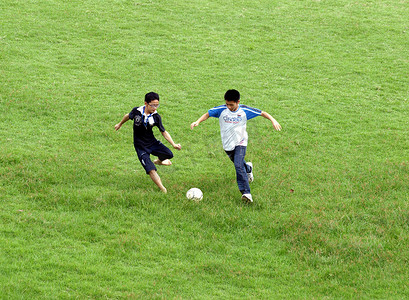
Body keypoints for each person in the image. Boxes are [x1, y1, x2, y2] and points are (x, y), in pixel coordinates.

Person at [190, 89, 281, 203]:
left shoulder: (244, 110)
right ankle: (248, 168)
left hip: (241, 142)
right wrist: (197, 122)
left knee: (238, 165)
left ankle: (246, 193)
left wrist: (273, 120)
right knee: (240, 165)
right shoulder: (221, 110)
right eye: (227, 104)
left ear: (238, 102)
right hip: (227, 144)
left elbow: (262, 113)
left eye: (231, 105)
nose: (228, 107)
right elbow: (208, 114)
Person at [115, 92, 181, 193]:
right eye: (153, 105)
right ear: (146, 103)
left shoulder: (156, 116)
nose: (155, 107)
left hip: (152, 143)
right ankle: (163, 189)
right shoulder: (137, 111)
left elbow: (163, 131)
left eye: (157, 105)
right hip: (140, 146)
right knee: (150, 169)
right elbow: (127, 116)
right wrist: (119, 124)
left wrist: (173, 144)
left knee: (169, 154)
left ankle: (159, 161)